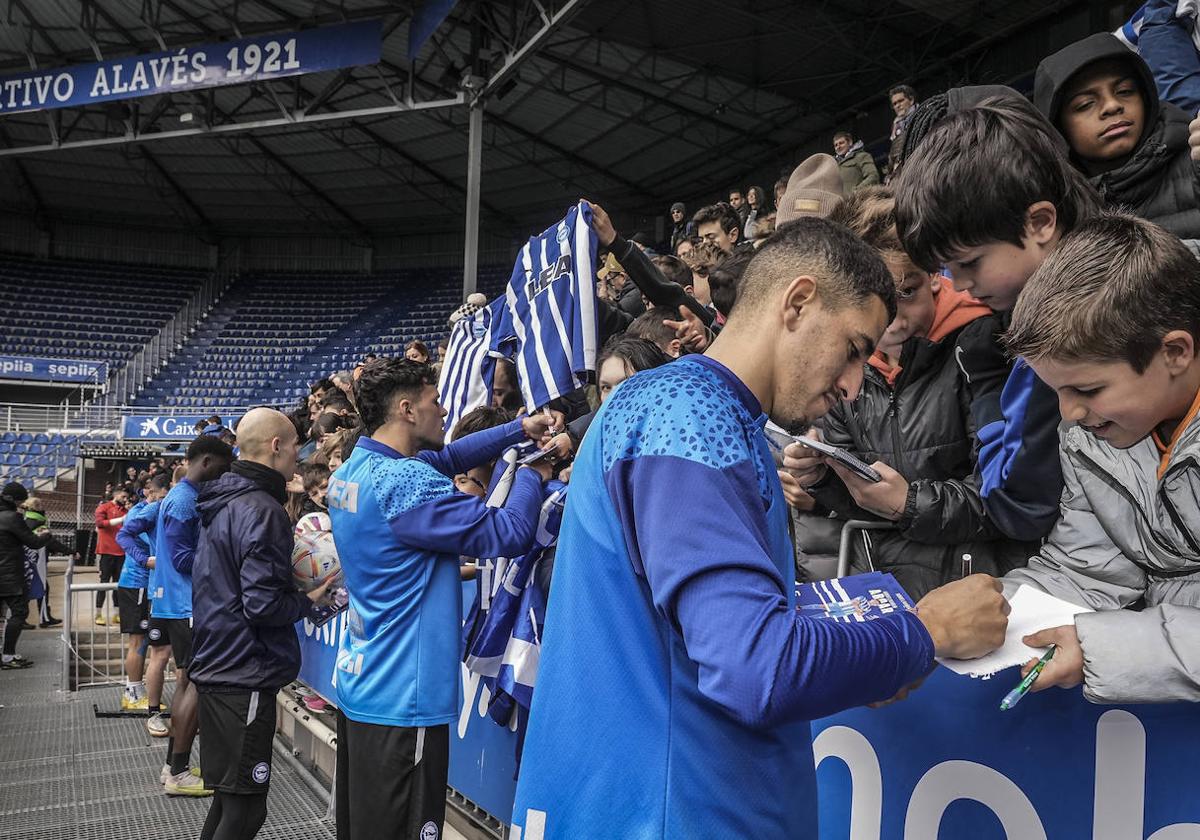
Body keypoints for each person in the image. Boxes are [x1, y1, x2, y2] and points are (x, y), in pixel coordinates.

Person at [510, 218, 1009, 838]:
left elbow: (711, 623)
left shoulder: (704, 412)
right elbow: (755, 668)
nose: (855, 385)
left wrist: (867, 649)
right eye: (854, 349)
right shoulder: (689, 416)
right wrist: (925, 632)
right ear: (797, 302)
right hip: (673, 812)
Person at [327, 358, 561, 840]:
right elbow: (510, 530)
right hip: (404, 701)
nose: (446, 408)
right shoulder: (405, 485)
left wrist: (519, 428)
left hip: (363, 688)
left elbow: (451, 458)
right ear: (408, 409)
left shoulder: (357, 469)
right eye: (436, 401)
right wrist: (536, 472)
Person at [1001, 212, 1200, 703]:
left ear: (1175, 351)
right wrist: (994, 609)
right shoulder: (1094, 433)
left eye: (1087, 388)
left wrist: (1104, 649)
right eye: (1057, 393)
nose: (1068, 414)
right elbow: (1087, 567)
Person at [792, 187, 1029, 598]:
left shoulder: (984, 346)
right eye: (875, 299)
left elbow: (1013, 499)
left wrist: (908, 503)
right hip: (890, 589)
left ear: (936, 276)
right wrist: (822, 478)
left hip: (986, 584)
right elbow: (862, 502)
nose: (894, 317)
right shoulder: (844, 370)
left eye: (907, 291)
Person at [893, 96, 1102, 542]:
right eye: (947, 269)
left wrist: (987, 385)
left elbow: (1015, 503)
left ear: (1041, 223)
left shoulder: (1054, 335)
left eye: (969, 262)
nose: (960, 283)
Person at [190, 408, 331, 840]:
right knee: (245, 811)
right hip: (243, 673)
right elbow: (262, 605)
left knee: (229, 802)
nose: (297, 456)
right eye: (293, 447)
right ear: (276, 447)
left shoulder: (226, 501)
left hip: (220, 666)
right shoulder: (261, 509)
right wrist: (308, 599)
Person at [1034, 32, 1200, 240]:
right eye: (1085, 104)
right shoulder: (1054, 221)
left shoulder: (1195, 160)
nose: (1112, 106)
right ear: (1057, 128)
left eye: (1125, 91)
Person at [152, 435, 234, 796]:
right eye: (222, 466)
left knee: (188, 684)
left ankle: (173, 766)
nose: (225, 473)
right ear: (204, 461)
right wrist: (224, 558)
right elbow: (182, 557)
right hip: (186, 607)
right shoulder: (184, 502)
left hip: (182, 605)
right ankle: (178, 773)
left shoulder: (185, 497)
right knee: (193, 686)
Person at [114, 474, 170, 711]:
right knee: (137, 639)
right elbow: (124, 537)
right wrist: (145, 559)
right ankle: (134, 693)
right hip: (136, 583)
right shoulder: (142, 512)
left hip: (143, 584)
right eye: (164, 496)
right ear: (152, 493)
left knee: (144, 640)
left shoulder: (148, 509)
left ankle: (135, 691)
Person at [0, 482, 56, 669]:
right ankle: (8, 656)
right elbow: (33, 542)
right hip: (10, 576)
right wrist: (46, 534)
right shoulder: (13, 518)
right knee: (19, 613)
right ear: (15, 499)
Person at [20, 496, 70, 627]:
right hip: (36, 563)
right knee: (41, 588)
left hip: (25, 561)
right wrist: (71, 551)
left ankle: (28, 618)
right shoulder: (38, 524)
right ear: (37, 508)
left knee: (28, 589)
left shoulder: (24, 521)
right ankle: (43, 618)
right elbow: (52, 542)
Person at [93, 487, 129, 626]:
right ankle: (98, 614)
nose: (125, 500)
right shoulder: (104, 507)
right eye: (124, 497)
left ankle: (116, 614)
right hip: (106, 552)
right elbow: (100, 524)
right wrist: (121, 519)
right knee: (104, 583)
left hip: (121, 553)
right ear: (117, 495)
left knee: (118, 585)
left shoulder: (126, 512)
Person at [887, 84, 919, 181]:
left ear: (911, 100)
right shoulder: (896, 125)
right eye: (894, 104)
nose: (898, 105)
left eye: (901, 101)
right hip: (903, 171)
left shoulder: (923, 116)